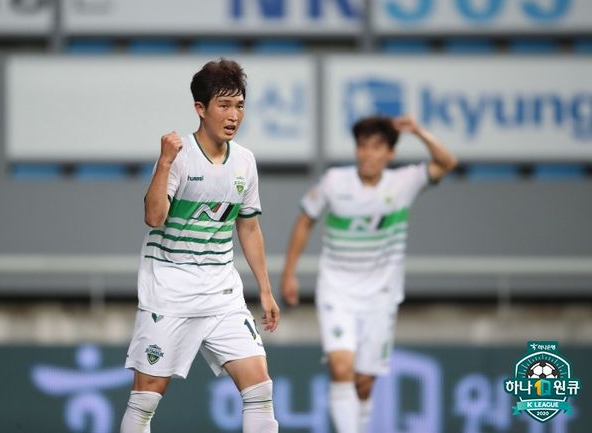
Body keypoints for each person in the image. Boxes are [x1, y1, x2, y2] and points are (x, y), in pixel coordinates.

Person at [120, 59, 280, 433]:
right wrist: (162, 163)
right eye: (224, 105)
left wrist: (266, 291)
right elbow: (154, 218)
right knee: (146, 398)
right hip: (170, 290)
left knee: (259, 388)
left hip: (221, 291)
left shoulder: (245, 162)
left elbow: (250, 228)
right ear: (200, 109)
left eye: (239, 105)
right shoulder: (179, 158)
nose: (233, 115)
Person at [280, 114, 457, 433]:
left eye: (376, 147)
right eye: (362, 146)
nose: (367, 154)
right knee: (341, 366)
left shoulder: (404, 182)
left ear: (390, 153)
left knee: (363, 384)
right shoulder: (335, 182)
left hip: (381, 295)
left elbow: (447, 162)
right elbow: (306, 219)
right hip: (337, 290)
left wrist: (419, 133)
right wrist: (289, 272)